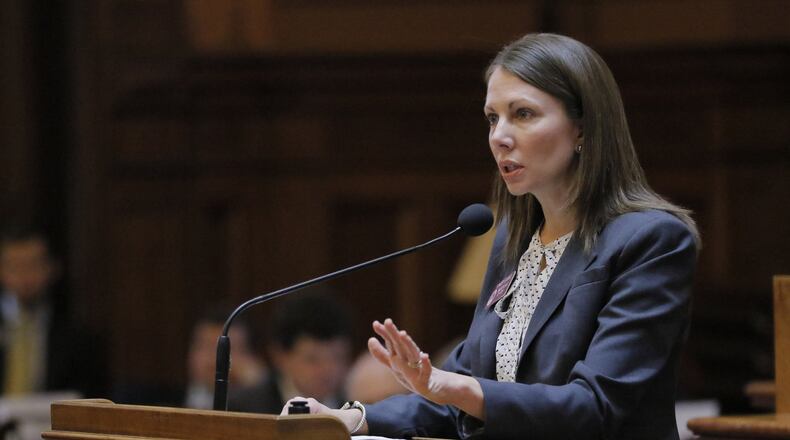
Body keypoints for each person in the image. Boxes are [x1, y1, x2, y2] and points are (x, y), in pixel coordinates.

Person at [281, 32, 700, 440]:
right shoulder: (511, 240)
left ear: (583, 128)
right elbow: (463, 389)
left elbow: (594, 406)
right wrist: (349, 419)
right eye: (492, 117)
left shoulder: (651, 241)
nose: (499, 136)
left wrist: (453, 388)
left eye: (523, 114)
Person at [0, 224, 106, 397]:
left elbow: (91, 398)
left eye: (32, 265)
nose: (23, 277)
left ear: (52, 268)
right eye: (14, 266)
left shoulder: (79, 337)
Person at [230, 292, 353, 414]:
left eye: (338, 357)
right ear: (280, 356)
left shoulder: (355, 408)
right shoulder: (243, 408)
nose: (328, 370)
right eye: (313, 359)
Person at [183, 308, 266, 409]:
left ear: (249, 356)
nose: (215, 360)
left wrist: (259, 386)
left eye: (226, 350)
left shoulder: (264, 404)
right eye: (207, 347)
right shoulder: (165, 398)